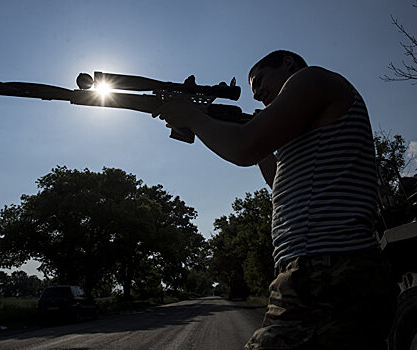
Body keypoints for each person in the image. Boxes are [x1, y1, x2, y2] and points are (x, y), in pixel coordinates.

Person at [152, 50, 396, 349]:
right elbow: (277, 180)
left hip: (324, 266)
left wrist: (192, 116)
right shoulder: (307, 122)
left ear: (288, 63)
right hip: (327, 266)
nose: (257, 95)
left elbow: (243, 148)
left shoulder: (312, 78)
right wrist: (256, 136)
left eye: (260, 81)